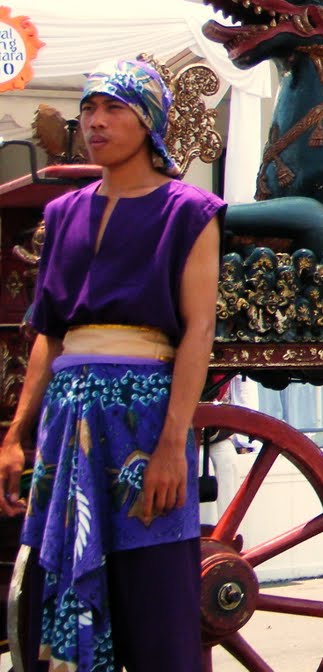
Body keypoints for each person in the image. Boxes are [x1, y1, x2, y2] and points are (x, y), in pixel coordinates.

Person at [0, 60, 223, 670]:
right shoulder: (61, 214)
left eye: (112, 109)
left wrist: (174, 443)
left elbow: (199, 329)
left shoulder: (190, 210)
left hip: (143, 416)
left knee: (155, 595)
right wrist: (17, 435)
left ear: (148, 121)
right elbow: (48, 332)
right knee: (59, 590)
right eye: (88, 110)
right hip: (66, 422)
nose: (94, 123)